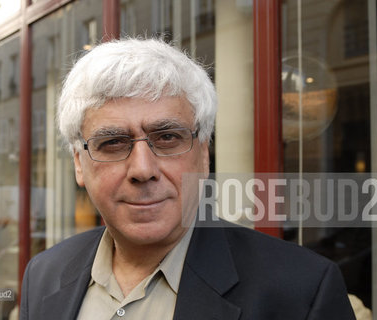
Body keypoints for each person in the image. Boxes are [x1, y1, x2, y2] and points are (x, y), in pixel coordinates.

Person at [20, 38, 355, 320]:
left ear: (204, 153)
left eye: (167, 138)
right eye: (113, 143)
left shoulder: (303, 292)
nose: (142, 169)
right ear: (79, 164)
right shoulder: (44, 276)